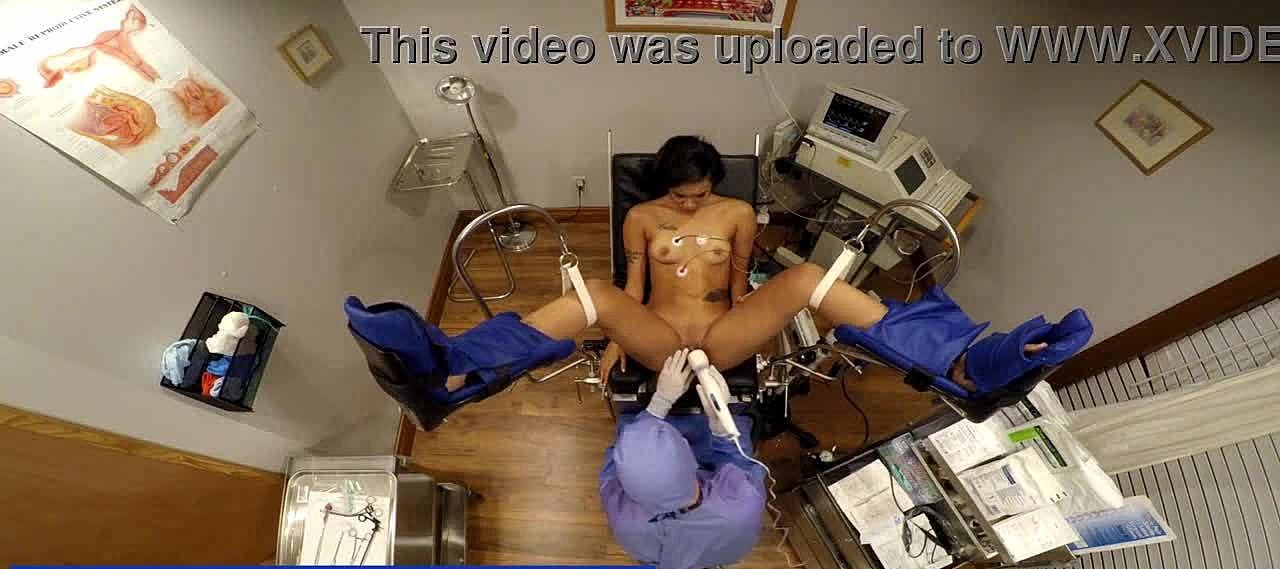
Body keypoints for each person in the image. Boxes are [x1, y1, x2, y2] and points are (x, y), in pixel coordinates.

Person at [344, 135, 1092, 418]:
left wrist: (758, 319)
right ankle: (448, 371)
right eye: (679, 195)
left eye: (699, 193)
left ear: (715, 186)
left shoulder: (737, 213)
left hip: (725, 332)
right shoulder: (642, 219)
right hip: (659, 334)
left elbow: (740, 281)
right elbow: (632, 290)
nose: (690, 204)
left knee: (805, 280)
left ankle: (964, 364)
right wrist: (617, 339)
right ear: (661, 188)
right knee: (594, 293)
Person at [599, 349, 765, 569]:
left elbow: (616, 461)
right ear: (690, 457)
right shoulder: (740, 507)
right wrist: (722, 430)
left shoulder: (625, 522)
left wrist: (659, 404)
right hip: (723, 547)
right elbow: (740, 463)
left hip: (663, 559)